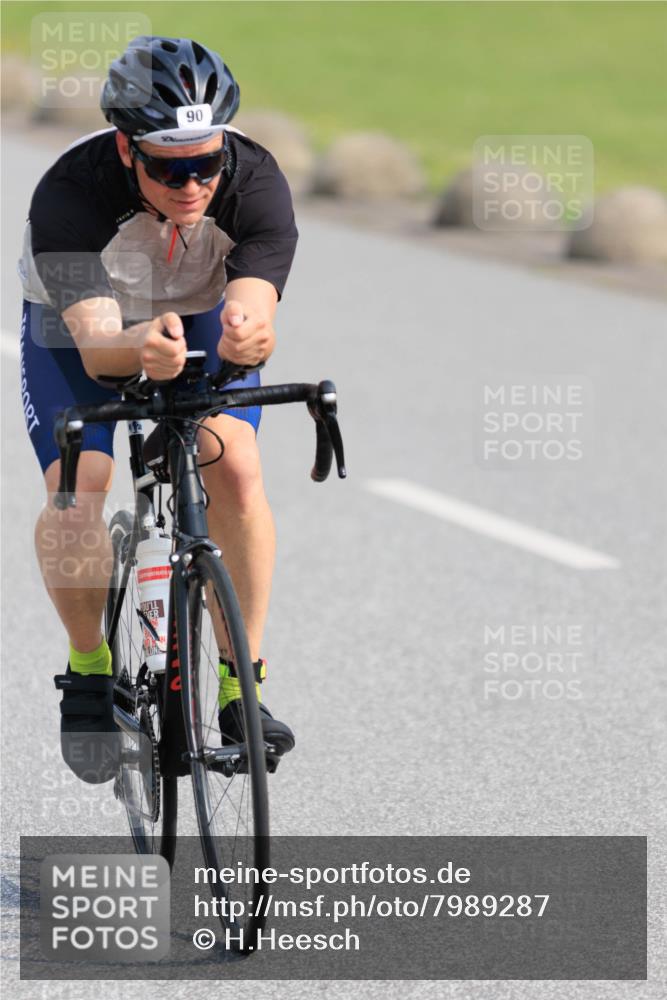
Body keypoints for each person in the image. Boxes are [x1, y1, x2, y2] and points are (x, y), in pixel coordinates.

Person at [18, 35, 297, 782]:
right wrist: (140, 348)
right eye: (171, 168)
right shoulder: (70, 194)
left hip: (196, 318)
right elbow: (101, 349)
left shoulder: (256, 181)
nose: (193, 184)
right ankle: (87, 668)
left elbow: (253, 303)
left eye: (206, 162)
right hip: (83, 330)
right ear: (125, 147)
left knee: (234, 464)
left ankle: (241, 685)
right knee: (79, 491)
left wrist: (250, 327)